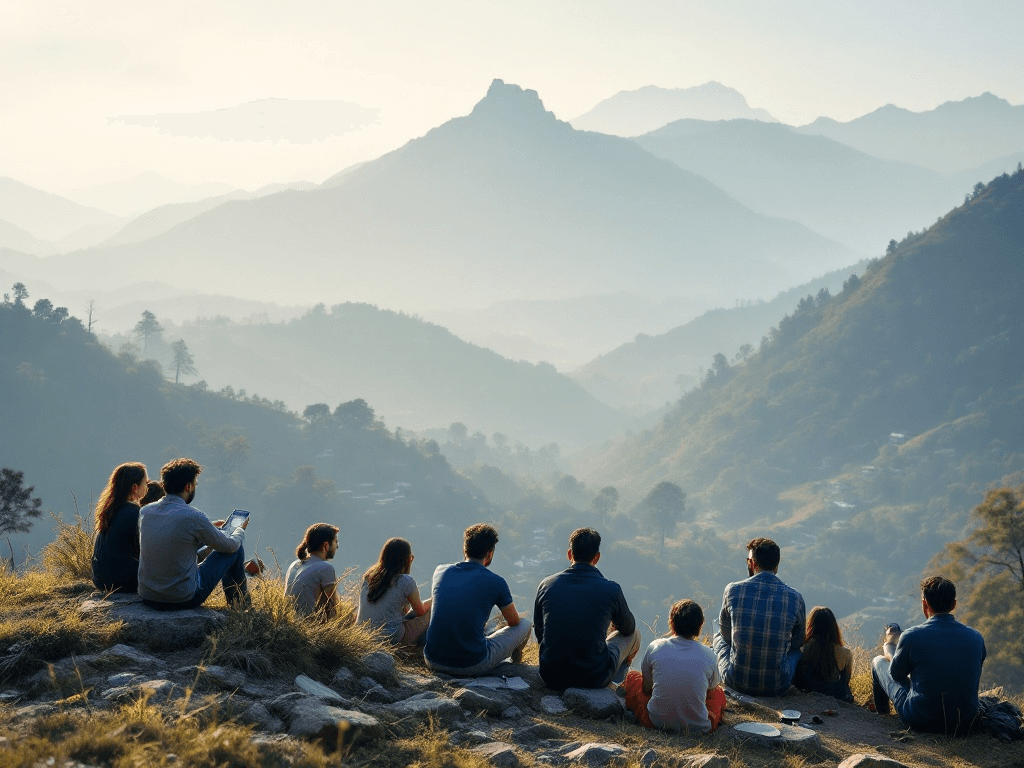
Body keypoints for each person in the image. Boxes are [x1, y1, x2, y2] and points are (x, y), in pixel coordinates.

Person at [871, 576, 986, 735]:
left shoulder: (912, 636)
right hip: (965, 722)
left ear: (924, 603)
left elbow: (896, 675)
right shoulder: (976, 637)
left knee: (878, 662)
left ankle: (882, 715)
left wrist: (889, 646)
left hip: (921, 719)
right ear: (954, 604)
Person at [533, 527, 640, 690]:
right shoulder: (611, 589)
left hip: (550, 675)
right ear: (597, 558)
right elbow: (628, 628)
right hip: (593, 677)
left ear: (569, 554)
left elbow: (540, 633)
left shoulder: (546, 585)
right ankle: (616, 684)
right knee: (635, 635)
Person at [138, 458, 249, 610]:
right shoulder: (193, 516)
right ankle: (241, 607)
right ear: (188, 486)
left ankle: (240, 606)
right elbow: (230, 546)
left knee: (219, 545)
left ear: (163, 485)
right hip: (182, 598)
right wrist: (240, 529)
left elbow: (176, 543)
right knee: (236, 550)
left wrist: (209, 528)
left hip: (148, 596)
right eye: (195, 485)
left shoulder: (145, 512)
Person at [423, 523, 532, 676]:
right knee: (525, 624)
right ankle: (515, 666)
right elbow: (514, 622)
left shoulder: (440, 571)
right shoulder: (496, 582)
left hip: (432, 660)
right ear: (490, 554)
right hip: (471, 664)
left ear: (464, 548)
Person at [712, 537, 805, 696]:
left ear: (752, 563)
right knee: (797, 652)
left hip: (736, 681)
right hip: (778, 686)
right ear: (776, 566)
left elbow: (726, 637)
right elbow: (797, 642)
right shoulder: (795, 598)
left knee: (718, 636)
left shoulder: (732, 590)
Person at [623, 599, 726, 733]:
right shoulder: (709, 655)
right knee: (718, 693)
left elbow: (647, 689)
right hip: (698, 727)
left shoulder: (656, 646)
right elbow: (710, 691)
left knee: (632, 677)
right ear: (700, 626)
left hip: (655, 721)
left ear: (671, 623)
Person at [357, 537, 431, 645]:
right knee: (433, 609)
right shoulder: (405, 581)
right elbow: (420, 612)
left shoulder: (369, 576)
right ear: (407, 559)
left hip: (362, 635)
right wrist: (433, 601)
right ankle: (422, 653)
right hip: (389, 638)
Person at [91, 462, 148, 593]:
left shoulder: (110, 510)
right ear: (135, 487)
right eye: (145, 482)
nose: (147, 486)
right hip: (122, 581)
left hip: (100, 579)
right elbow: (143, 551)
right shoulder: (134, 513)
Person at [793, 606, 854, 702]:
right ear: (834, 627)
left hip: (806, 693)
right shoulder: (845, 653)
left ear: (811, 625)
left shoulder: (803, 649)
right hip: (835, 696)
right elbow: (845, 681)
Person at [284, 523, 340, 617]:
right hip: (307, 626)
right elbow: (334, 605)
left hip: (287, 623)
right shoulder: (325, 568)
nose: (337, 546)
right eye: (336, 542)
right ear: (326, 545)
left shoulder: (294, 565)